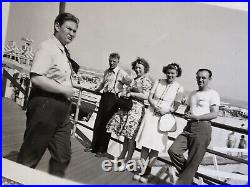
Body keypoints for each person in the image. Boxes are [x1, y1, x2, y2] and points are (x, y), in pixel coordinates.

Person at [17, 12, 80, 177]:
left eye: (75, 31)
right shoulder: (48, 47)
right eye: (69, 29)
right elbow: (36, 77)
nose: (72, 34)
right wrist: (64, 89)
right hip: (45, 106)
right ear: (57, 26)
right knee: (30, 156)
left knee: (62, 156)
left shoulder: (63, 51)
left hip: (62, 109)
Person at [168, 68, 220, 184]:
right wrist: (187, 113)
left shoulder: (213, 94)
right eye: (198, 77)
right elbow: (188, 109)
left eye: (203, 78)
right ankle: (189, 179)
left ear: (209, 79)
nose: (200, 80)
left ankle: (185, 181)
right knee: (173, 150)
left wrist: (196, 117)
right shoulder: (192, 93)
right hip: (189, 127)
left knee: (193, 162)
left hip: (203, 128)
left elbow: (215, 113)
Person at [134, 63, 184, 182]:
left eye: (173, 73)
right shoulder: (158, 81)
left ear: (177, 74)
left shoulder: (179, 88)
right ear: (165, 72)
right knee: (145, 144)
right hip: (151, 114)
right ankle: (140, 170)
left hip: (163, 118)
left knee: (155, 146)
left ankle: (146, 173)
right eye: (168, 72)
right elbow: (150, 97)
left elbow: (176, 106)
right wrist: (155, 106)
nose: (170, 75)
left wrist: (167, 110)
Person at [106, 57, 152, 166]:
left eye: (140, 68)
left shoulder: (146, 80)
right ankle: (122, 156)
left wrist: (132, 94)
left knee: (131, 136)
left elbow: (146, 96)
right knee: (126, 134)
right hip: (129, 107)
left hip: (137, 109)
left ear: (145, 68)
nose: (137, 70)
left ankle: (128, 160)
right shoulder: (135, 79)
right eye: (136, 68)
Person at [84, 53, 132, 157]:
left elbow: (130, 83)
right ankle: (94, 146)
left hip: (114, 100)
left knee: (107, 124)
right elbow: (102, 83)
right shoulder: (107, 71)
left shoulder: (121, 72)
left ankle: (102, 150)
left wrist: (124, 92)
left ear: (118, 61)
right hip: (104, 97)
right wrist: (97, 89)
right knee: (98, 123)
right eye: (110, 60)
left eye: (114, 61)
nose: (111, 63)